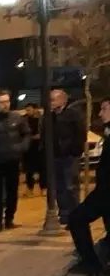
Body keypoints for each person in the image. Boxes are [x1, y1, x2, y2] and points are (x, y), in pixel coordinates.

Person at [68, 98, 110, 275]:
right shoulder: (107, 131)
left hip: (106, 193)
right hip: (104, 191)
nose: (100, 113)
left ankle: (91, 263)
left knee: (76, 219)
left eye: (104, 109)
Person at [0, 90, 31, 232]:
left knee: (12, 190)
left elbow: (26, 133)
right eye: (2, 102)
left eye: (7, 101)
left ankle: (10, 218)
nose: (5, 105)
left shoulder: (16, 117)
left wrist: (22, 147)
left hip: (13, 159)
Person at [47, 88, 86, 225]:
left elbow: (80, 134)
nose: (50, 102)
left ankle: (74, 215)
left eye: (53, 99)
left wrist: (75, 151)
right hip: (55, 157)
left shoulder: (73, 115)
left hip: (69, 156)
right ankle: (64, 215)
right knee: (59, 187)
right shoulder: (50, 116)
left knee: (71, 187)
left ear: (62, 100)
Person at [22, 102, 45, 194]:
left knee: (42, 168)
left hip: (40, 147)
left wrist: (41, 136)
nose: (27, 112)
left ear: (35, 109)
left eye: (29, 110)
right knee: (29, 170)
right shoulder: (24, 120)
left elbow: (45, 132)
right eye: (26, 110)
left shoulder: (42, 119)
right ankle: (29, 188)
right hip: (29, 148)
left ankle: (43, 188)